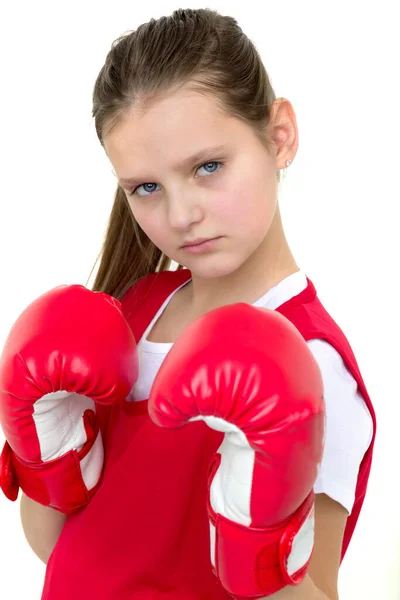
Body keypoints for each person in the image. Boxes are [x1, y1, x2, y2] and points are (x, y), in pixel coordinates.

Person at [0, 8, 376, 600]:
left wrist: (256, 528)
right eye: (146, 187)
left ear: (280, 136)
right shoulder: (129, 311)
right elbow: (60, 549)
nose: (180, 216)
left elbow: (319, 591)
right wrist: (47, 444)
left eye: (208, 167)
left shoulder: (314, 362)